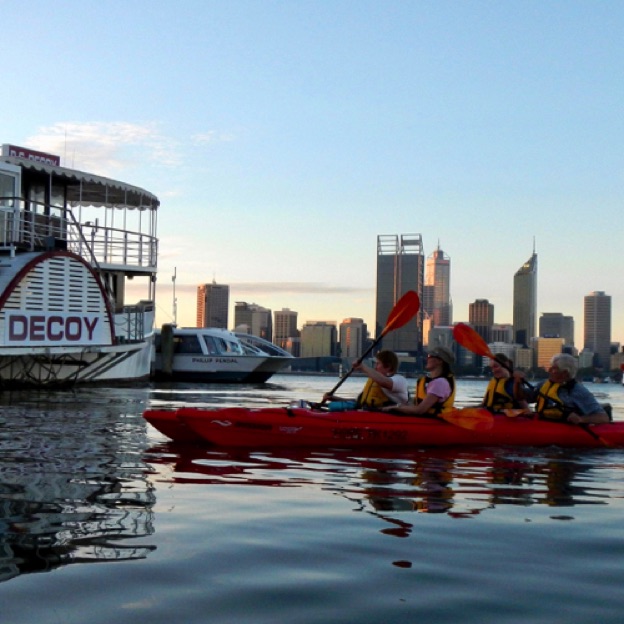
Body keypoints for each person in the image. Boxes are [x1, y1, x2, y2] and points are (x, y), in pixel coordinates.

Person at [517, 353, 609, 424]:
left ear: (565, 372)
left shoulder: (578, 391)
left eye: (554, 369)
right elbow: (522, 397)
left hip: (566, 429)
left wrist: (581, 419)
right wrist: (517, 383)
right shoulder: (544, 384)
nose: (549, 371)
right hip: (544, 424)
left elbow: (603, 417)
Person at [322, 350, 408, 410]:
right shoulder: (375, 381)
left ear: (388, 366)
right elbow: (359, 403)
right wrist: (333, 398)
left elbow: (385, 382)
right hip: (367, 414)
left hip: (386, 418)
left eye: (378, 364)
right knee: (333, 406)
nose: (375, 367)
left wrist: (362, 367)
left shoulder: (400, 380)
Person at [384, 346, 456, 417]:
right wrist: (398, 406)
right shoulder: (436, 381)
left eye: (430, 356)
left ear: (440, 361)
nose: (427, 358)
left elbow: (419, 410)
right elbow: (416, 406)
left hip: (432, 423)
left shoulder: (440, 383)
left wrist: (394, 408)